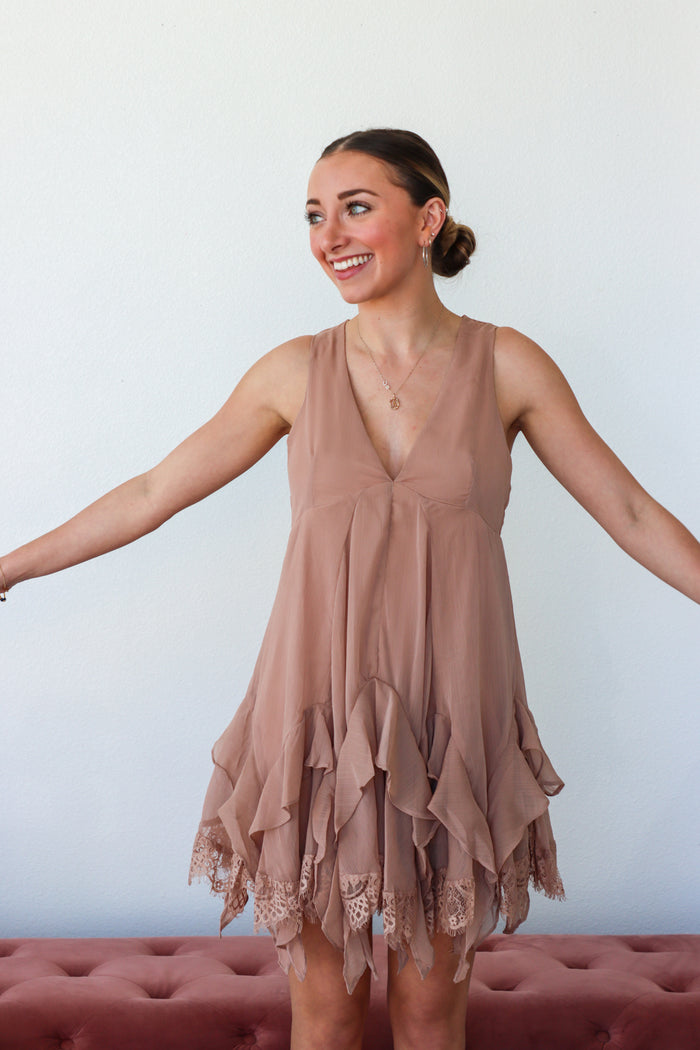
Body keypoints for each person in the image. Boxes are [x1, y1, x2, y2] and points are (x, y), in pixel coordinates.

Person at [2, 128, 699, 1050]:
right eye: (314, 215)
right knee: (325, 1013)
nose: (330, 234)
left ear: (428, 218)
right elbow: (149, 493)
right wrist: (7, 567)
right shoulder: (295, 371)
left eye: (356, 206)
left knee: (426, 1012)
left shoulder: (508, 365)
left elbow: (633, 513)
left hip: (449, 729)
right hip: (319, 732)